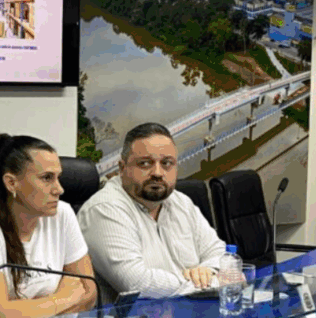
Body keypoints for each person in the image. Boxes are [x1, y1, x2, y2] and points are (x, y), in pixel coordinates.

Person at [0, 134, 97, 318]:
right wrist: (63, 297)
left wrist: (24, 312)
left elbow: (89, 292)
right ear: (12, 183)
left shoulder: (62, 213)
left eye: (58, 178)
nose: (59, 189)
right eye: (47, 178)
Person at [77, 122, 226, 299]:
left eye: (167, 163)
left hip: (191, 313)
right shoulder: (103, 209)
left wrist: (207, 271)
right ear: (122, 168)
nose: (157, 172)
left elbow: (218, 252)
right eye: (145, 163)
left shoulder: (181, 202)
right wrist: (211, 284)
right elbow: (137, 284)